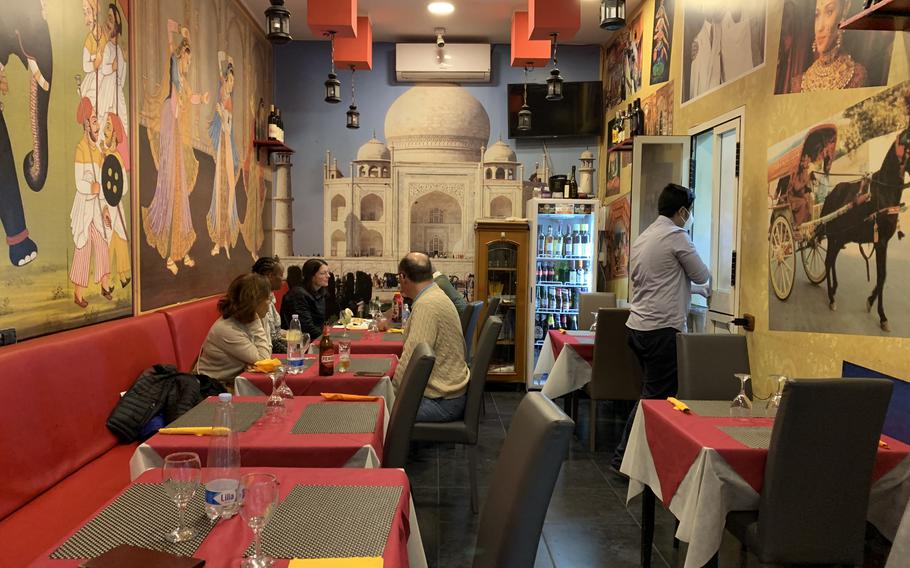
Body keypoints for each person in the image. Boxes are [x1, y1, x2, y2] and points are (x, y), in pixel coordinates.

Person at [611, 184, 711, 472]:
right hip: (661, 330)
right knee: (654, 400)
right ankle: (623, 458)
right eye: (689, 212)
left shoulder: (645, 236)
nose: (689, 217)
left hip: (638, 326)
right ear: (682, 211)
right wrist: (700, 288)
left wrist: (691, 292)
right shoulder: (677, 236)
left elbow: (659, 282)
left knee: (653, 396)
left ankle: (647, 457)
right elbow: (702, 274)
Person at [394, 252, 470, 422]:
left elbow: (412, 360)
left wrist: (390, 395)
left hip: (443, 401)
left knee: (379, 412)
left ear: (402, 277)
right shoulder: (435, 294)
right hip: (451, 393)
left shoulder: (426, 305)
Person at [69, 97, 112, 308]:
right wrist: (91, 187)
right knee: (83, 248)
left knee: (103, 243)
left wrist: (104, 208)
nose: (97, 126)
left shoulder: (98, 151)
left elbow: (102, 184)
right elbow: (80, 183)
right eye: (94, 121)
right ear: (86, 125)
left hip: (96, 207)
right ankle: (78, 294)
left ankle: (105, 285)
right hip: (85, 207)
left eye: (97, 121)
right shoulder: (81, 149)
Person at [196, 273, 272, 388]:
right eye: (267, 298)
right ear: (255, 302)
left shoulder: (245, 320)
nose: (270, 302)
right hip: (212, 389)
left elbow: (267, 352)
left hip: (234, 383)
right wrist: (256, 320)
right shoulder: (228, 329)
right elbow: (264, 361)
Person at [794, 0, 867, 92]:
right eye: (817, 15)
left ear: (843, 14)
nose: (820, 27)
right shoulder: (800, 82)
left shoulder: (855, 76)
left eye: (829, 12)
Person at [280, 258, 329, 339]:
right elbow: (306, 328)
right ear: (312, 276)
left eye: (328, 272)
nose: (328, 276)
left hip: (316, 337)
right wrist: (328, 337)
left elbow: (320, 323)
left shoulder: (320, 292)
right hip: (299, 341)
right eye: (323, 273)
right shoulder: (298, 294)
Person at [252, 256, 286, 354]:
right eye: (281, 275)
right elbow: (272, 341)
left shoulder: (269, 298)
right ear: (270, 276)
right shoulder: (259, 303)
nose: (283, 279)